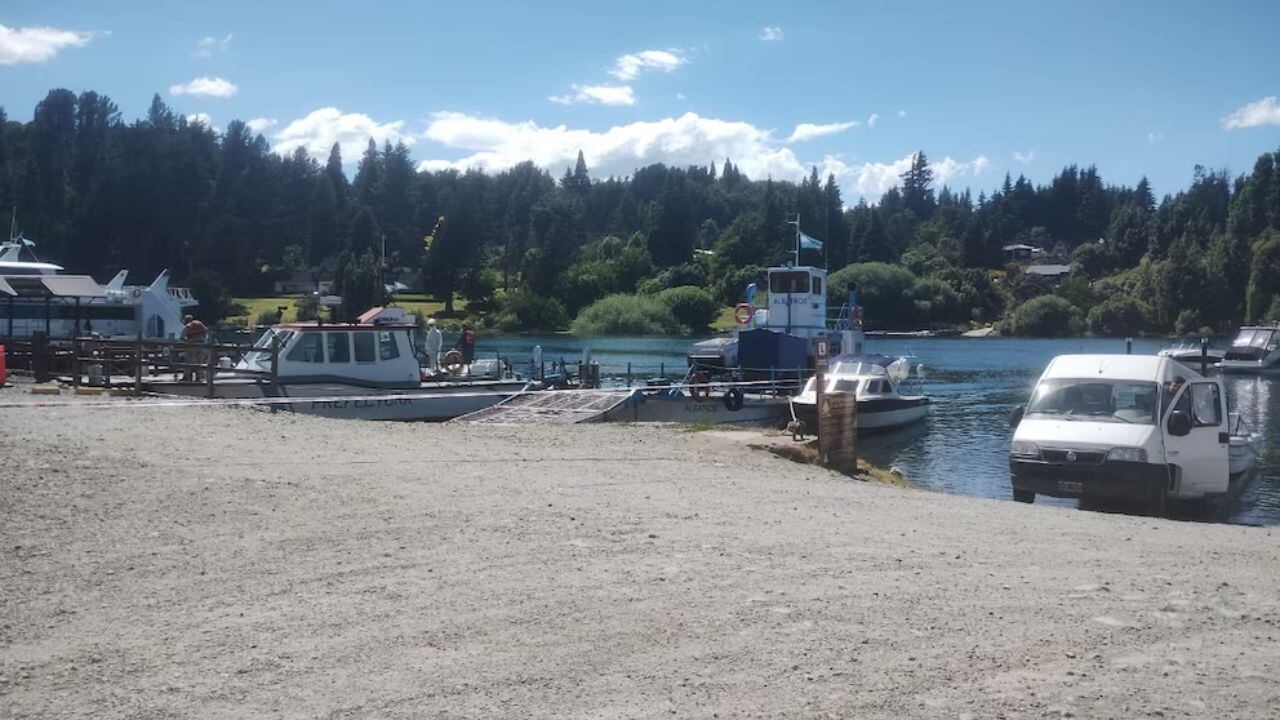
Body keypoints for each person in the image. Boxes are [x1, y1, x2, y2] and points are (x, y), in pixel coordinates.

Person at [182, 315, 209, 381]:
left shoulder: (188, 326)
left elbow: (182, 336)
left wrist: (187, 341)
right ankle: (199, 377)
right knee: (200, 362)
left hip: (192, 345)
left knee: (189, 362)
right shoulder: (199, 324)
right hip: (201, 345)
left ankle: (187, 377)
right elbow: (206, 332)